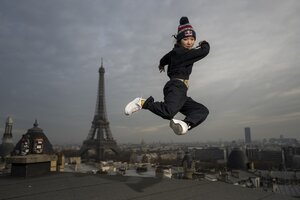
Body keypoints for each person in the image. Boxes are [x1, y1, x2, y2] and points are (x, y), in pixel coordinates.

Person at [125, 16, 210, 135]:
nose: (189, 42)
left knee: (202, 110)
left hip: (180, 92)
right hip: (176, 87)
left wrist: (161, 65)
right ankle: (142, 103)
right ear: (179, 40)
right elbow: (204, 51)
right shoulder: (185, 53)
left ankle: (186, 124)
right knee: (168, 112)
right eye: (186, 39)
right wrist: (205, 43)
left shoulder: (173, 53)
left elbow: (164, 58)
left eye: (192, 39)